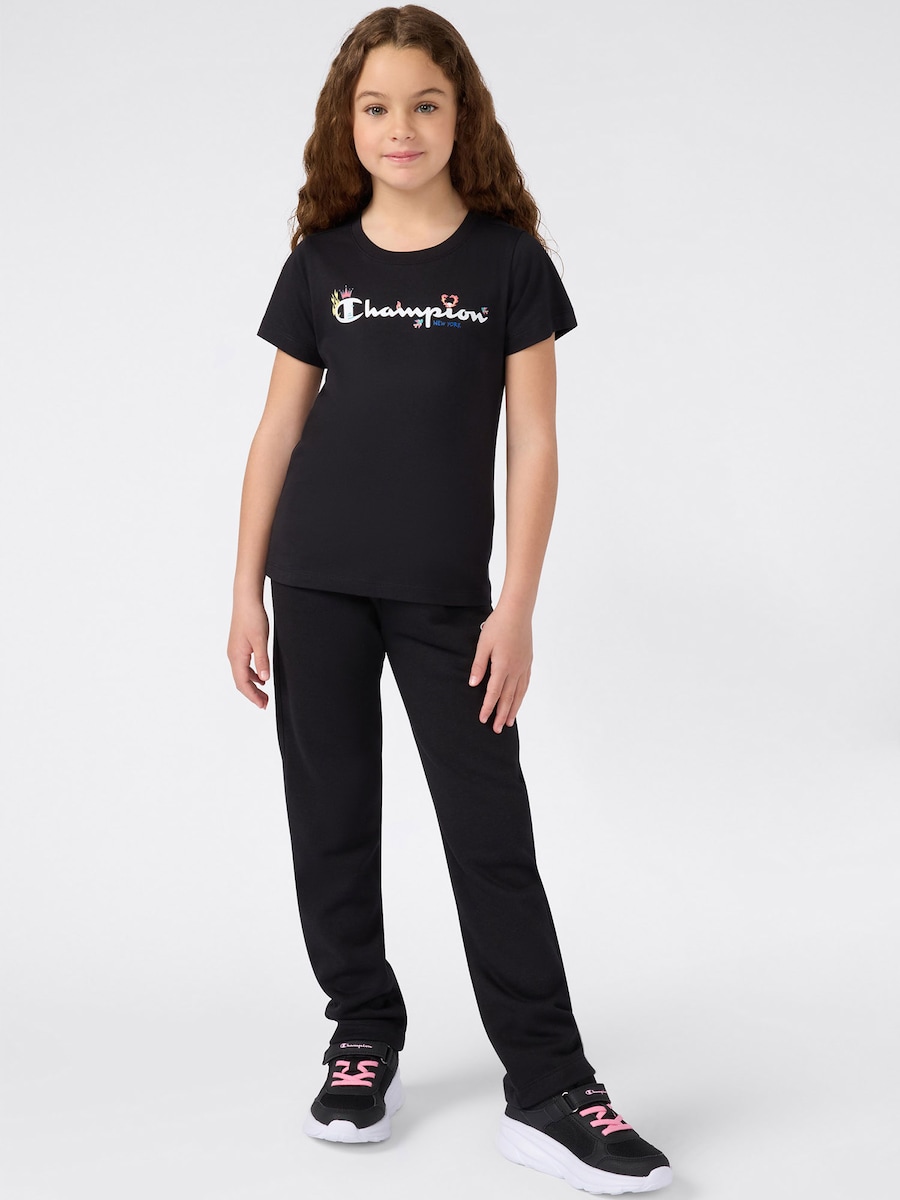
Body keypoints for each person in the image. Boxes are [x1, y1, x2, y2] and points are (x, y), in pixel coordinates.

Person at [227, 6, 672, 1194]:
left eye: (425, 103)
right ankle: (362, 1031)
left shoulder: (509, 261)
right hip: (314, 577)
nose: (401, 127)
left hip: (447, 603)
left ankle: (550, 1084)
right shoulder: (320, 263)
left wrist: (514, 606)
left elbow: (537, 442)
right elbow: (276, 433)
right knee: (331, 819)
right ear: (348, 123)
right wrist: (244, 592)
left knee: (490, 835)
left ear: (460, 113)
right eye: (376, 107)